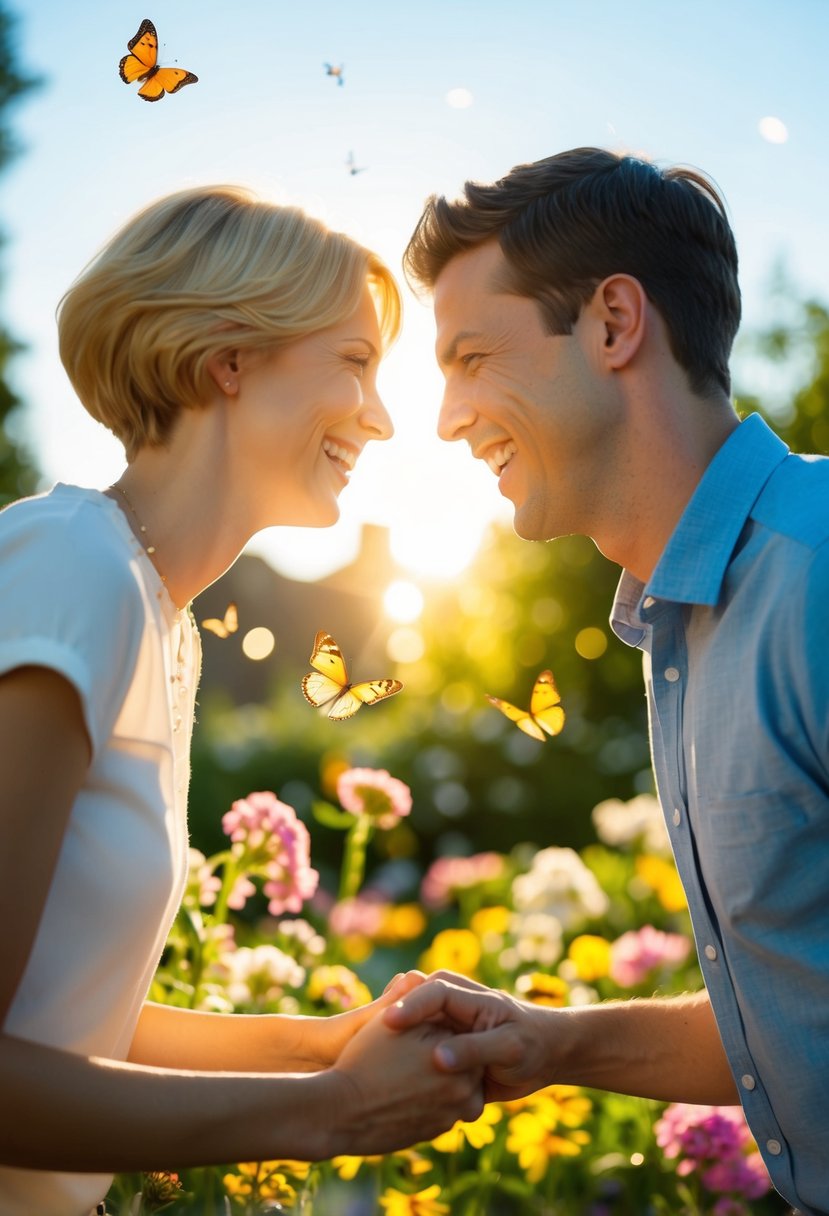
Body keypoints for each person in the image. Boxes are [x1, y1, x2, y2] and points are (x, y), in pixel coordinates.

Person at [0, 185, 483, 1216]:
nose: (383, 416)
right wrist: (325, 1114)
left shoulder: (152, 611)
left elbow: (70, 1015)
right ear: (229, 360)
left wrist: (326, 1043)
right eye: (354, 364)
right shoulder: (70, 571)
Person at [384, 147, 829, 1216]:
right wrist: (551, 1039)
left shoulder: (815, 572)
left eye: (472, 356)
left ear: (614, 324)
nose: (447, 416)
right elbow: (798, 1012)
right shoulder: (674, 617)